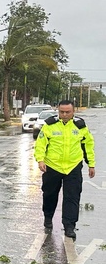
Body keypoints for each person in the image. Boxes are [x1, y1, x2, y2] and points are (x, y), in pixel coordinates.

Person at [34, 100, 96, 240]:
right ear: (58, 111)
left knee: (72, 197)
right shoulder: (50, 125)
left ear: (73, 111)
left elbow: (88, 145)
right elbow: (40, 144)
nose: (64, 114)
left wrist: (91, 164)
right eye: (62, 112)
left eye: (68, 112)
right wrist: (40, 160)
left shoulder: (80, 126)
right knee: (49, 194)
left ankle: (69, 226)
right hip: (52, 166)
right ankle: (48, 217)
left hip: (73, 167)